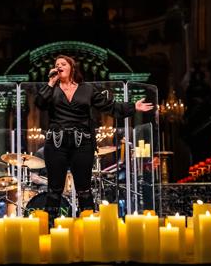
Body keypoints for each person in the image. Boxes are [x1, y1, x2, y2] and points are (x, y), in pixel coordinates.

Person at [35, 55, 154, 219]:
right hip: (57, 143)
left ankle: (87, 224)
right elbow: (40, 103)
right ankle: (49, 226)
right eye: (57, 65)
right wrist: (50, 82)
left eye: (63, 64)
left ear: (72, 68)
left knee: (84, 188)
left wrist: (133, 106)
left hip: (82, 143)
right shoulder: (51, 88)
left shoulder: (87, 89)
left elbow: (110, 106)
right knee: (54, 188)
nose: (59, 66)